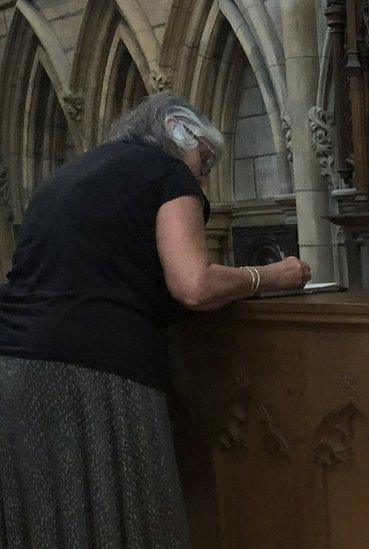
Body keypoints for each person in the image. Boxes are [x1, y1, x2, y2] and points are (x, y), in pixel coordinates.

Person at [0, 92, 310, 547]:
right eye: (204, 164)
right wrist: (273, 275)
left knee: (50, 527)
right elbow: (194, 285)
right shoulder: (167, 174)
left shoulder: (69, 176)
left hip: (13, 369)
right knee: (125, 525)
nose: (202, 183)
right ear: (178, 134)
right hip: (96, 378)